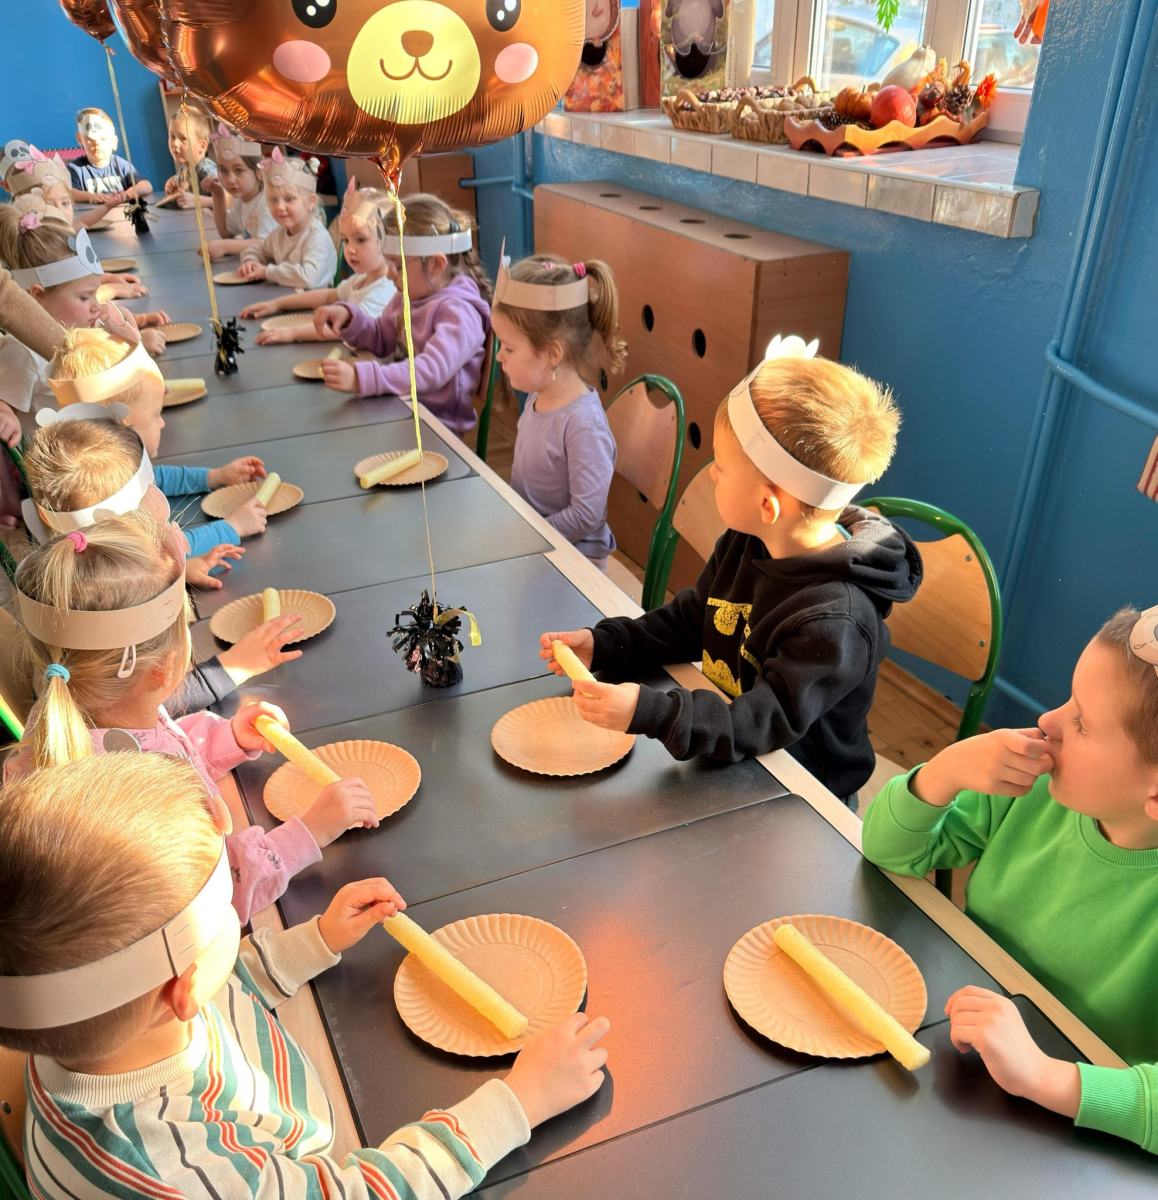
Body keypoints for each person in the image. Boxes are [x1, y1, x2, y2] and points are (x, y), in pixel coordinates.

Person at [0, 751, 611, 1199]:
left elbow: (225, 989)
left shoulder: (102, 1026)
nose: (239, 906)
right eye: (228, 897)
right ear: (180, 986)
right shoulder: (178, 1176)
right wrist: (518, 1103)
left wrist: (315, 941)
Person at [541, 337, 919, 802]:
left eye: (721, 465)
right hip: (736, 755)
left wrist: (653, 712)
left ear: (767, 505)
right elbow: (693, 620)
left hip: (801, 795)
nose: (712, 473)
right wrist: (609, 643)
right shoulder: (750, 539)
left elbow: (759, 723)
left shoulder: (837, 621)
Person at [862, 605, 1158, 1141]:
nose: (1048, 722)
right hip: (958, 1044)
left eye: (1082, 723)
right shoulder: (1037, 789)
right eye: (1068, 699)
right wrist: (944, 773)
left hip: (1077, 1127)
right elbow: (887, 850)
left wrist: (1044, 1076)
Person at [5, 512, 379, 924]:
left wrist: (227, 738)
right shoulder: (138, 800)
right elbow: (218, 890)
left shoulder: (64, 708)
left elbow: (159, 743)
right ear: (163, 668)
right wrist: (310, 831)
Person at [45, 327, 270, 564]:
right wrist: (232, 527)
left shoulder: (107, 466)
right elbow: (159, 556)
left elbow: (154, 478)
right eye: (156, 415)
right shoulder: (106, 499)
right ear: (124, 427)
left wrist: (214, 477)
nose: (162, 423)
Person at [313, 192, 489, 434]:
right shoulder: (409, 294)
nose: (388, 274)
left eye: (396, 266)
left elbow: (429, 371)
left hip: (435, 428)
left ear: (436, 264)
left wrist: (361, 378)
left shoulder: (460, 313)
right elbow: (383, 337)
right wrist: (350, 319)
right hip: (398, 407)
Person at [492, 252, 624, 569]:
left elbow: (586, 515)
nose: (499, 357)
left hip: (574, 563)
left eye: (508, 348)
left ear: (552, 354)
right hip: (537, 545)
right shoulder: (536, 397)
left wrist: (527, 536)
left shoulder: (583, 426)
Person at [240, 178, 396, 340]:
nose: (350, 249)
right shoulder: (362, 279)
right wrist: (277, 304)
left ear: (390, 241)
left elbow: (348, 328)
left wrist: (293, 333)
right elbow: (328, 296)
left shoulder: (384, 290)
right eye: (346, 240)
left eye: (361, 240)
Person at [238, 151, 337, 288]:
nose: (279, 207)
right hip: (287, 297)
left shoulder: (316, 237)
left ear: (310, 202)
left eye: (289, 199)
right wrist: (250, 261)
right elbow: (258, 250)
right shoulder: (278, 234)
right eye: (273, 200)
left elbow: (309, 278)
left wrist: (267, 272)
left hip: (315, 301)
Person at [201, 126, 277, 258]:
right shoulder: (241, 202)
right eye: (223, 170)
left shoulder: (267, 202)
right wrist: (218, 193)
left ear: (259, 172)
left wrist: (225, 246)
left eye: (239, 170)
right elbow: (225, 231)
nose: (230, 179)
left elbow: (267, 244)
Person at [66, 108, 153, 204]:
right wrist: (93, 197)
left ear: (114, 142)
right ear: (79, 139)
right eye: (90, 139)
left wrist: (131, 192)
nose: (97, 143)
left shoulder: (122, 166)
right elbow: (70, 193)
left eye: (103, 139)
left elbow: (147, 185)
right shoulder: (75, 169)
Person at [164, 107, 217, 209]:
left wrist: (197, 201)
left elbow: (230, 200)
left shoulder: (205, 170)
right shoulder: (184, 170)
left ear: (202, 146)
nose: (175, 144)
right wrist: (170, 187)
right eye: (172, 137)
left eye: (183, 138)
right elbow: (177, 188)